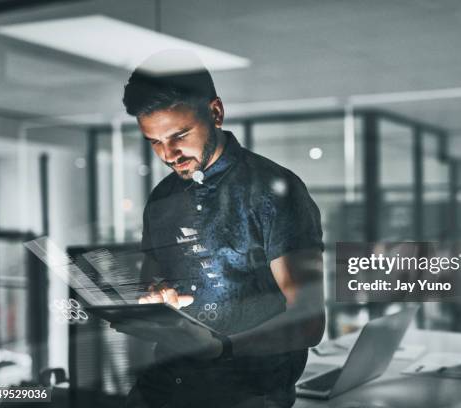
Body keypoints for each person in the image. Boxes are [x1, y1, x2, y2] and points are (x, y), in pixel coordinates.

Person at [115, 50, 325, 408]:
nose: (169, 154)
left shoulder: (275, 191)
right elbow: (151, 283)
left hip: (251, 395)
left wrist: (221, 346)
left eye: (179, 134)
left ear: (215, 112)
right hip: (165, 387)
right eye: (154, 141)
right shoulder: (162, 198)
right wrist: (150, 300)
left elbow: (308, 323)